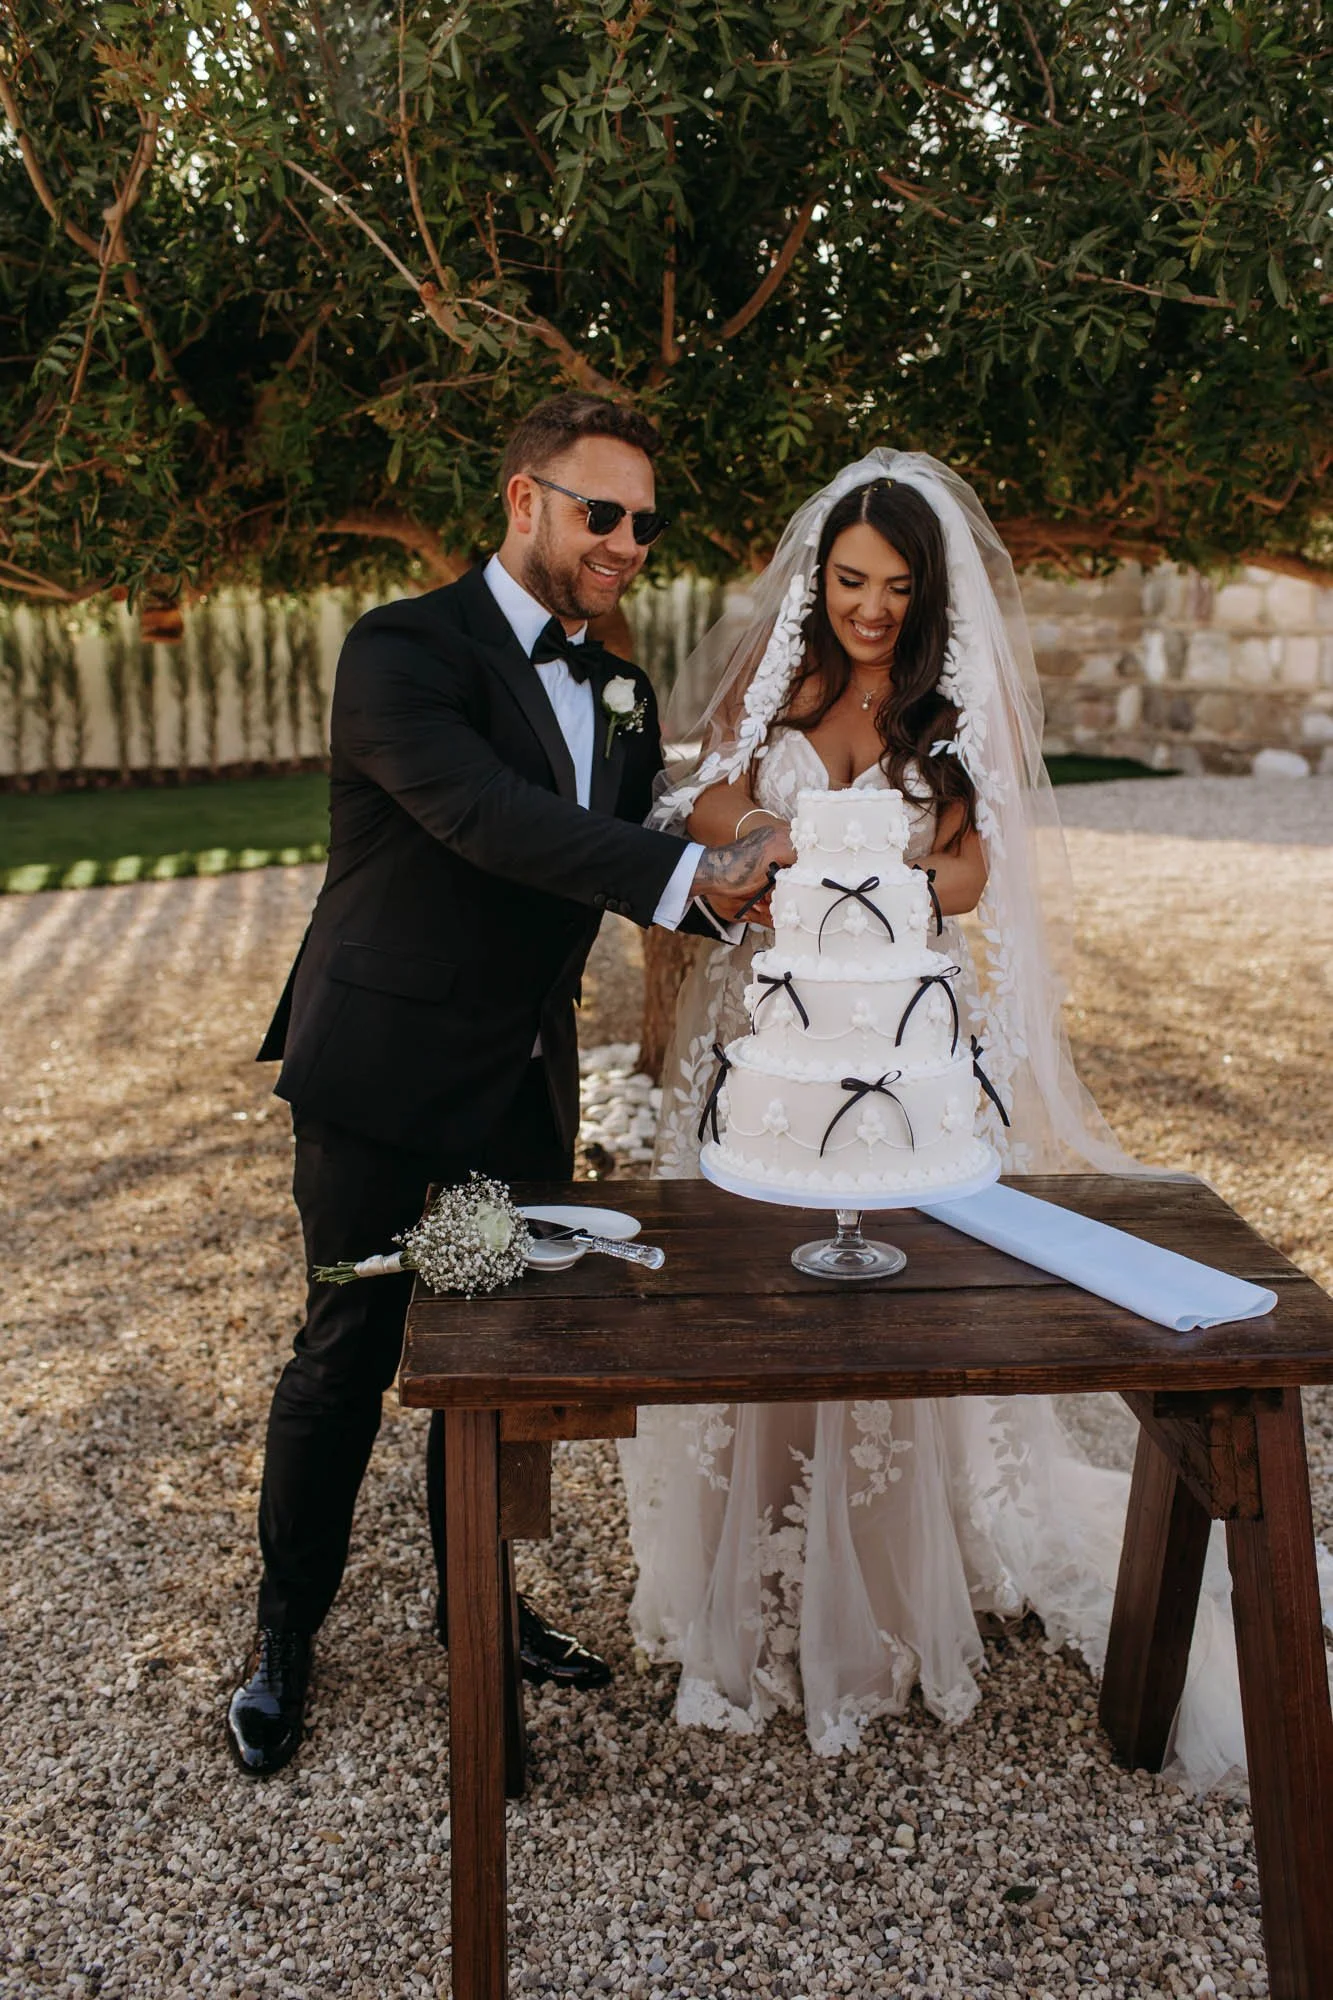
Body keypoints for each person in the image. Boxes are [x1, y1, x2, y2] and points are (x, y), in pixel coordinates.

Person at [620, 452, 1305, 1790]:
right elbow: (695, 795)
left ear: (927, 597)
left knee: (889, 1318)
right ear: (822, 577)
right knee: (765, 1307)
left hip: (893, 1066)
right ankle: (756, 1576)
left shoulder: (944, 701)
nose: (870, 608)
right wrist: (763, 825)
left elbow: (976, 871)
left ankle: (886, 1583)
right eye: (852, 581)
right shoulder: (782, 671)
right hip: (786, 1047)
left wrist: (894, 872)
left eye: (895, 589)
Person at [227, 392, 792, 1776]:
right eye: (602, 513)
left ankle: (475, 1606)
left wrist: (731, 905)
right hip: (379, 1067)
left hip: (517, 1078)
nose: (626, 542)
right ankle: (284, 1633)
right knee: (347, 1356)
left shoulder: (621, 686)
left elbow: (604, 840)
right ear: (524, 501)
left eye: (645, 524)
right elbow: (487, 819)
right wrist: (684, 878)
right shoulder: (399, 650)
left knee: (490, 1367)